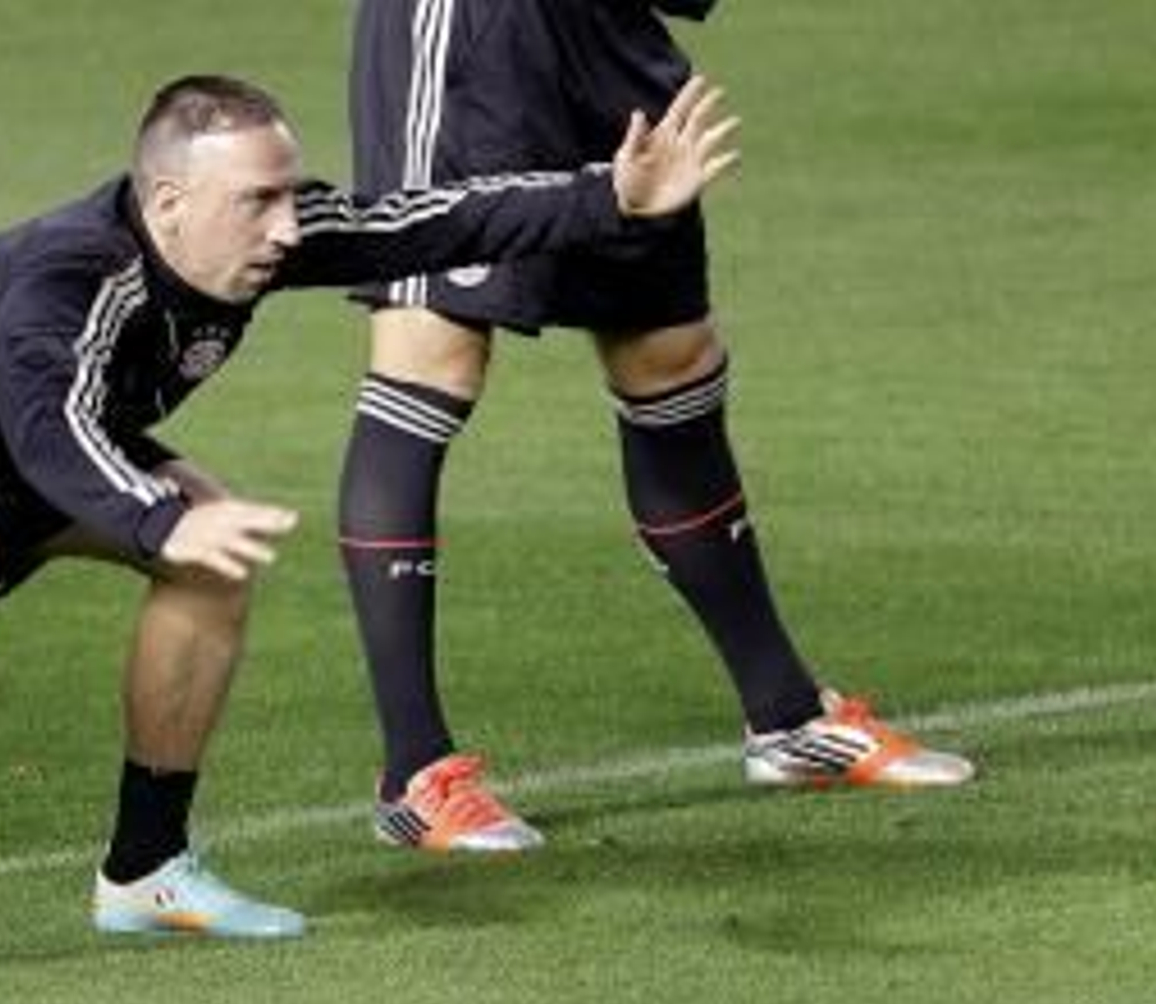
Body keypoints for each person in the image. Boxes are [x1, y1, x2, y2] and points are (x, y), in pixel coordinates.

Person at [0, 72, 735, 993]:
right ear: (169, 203)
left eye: (289, 192)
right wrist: (155, 515)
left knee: (212, 555)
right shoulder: (70, 279)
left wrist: (609, 196)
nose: (289, 225)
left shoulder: (259, 239)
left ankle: (147, 869)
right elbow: (50, 427)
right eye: (258, 199)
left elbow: (425, 222)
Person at [338, 0, 976, 854]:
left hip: (599, 28)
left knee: (669, 352)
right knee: (431, 349)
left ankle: (786, 720)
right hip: (470, 29)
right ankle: (414, 774)